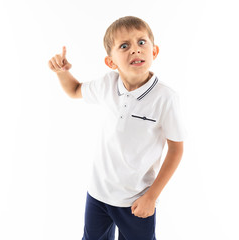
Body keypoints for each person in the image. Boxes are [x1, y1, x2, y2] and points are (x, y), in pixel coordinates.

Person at [48, 16, 185, 240]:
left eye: (142, 42)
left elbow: (176, 149)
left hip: (137, 199)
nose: (135, 50)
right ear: (111, 62)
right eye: (124, 46)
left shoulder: (166, 98)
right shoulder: (106, 84)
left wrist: (151, 197)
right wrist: (62, 72)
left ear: (154, 51)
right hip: (98, 194)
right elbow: (74, 90)